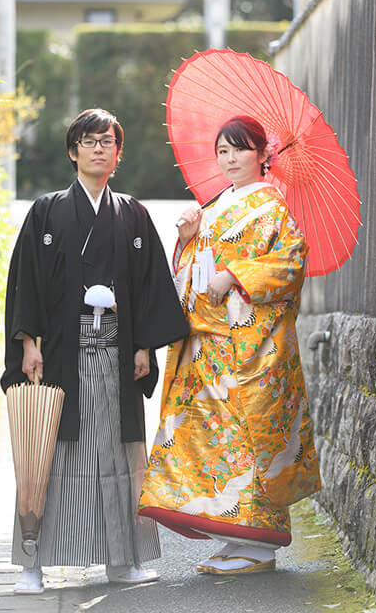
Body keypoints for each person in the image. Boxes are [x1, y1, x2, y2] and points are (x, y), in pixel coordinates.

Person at [1, 108, 189, 595]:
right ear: (73, 151)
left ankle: (121, 561)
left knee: (117, 456)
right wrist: (27, 344)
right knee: (45, 452)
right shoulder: (46, 210)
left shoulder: (132, 213)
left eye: (108, 141)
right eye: (89, 141)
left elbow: (150, 287)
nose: (99, 148)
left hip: (116, 353)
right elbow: (27, 283)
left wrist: (144, 345)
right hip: (60, 353)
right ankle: (31, 565)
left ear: (118, 152)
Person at [139, 114, 321, 575]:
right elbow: (192, 270)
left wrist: (234, 275)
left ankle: (258, 543)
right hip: (209, 346)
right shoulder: (219, 204)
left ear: (264, 154)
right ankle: (231, 534)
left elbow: (289, 263)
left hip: (250, 349)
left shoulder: (272, 206)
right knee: (211, 442)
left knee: (249, 439)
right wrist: (185, 240)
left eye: (240, 149)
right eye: (223, 151)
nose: (230, 158)